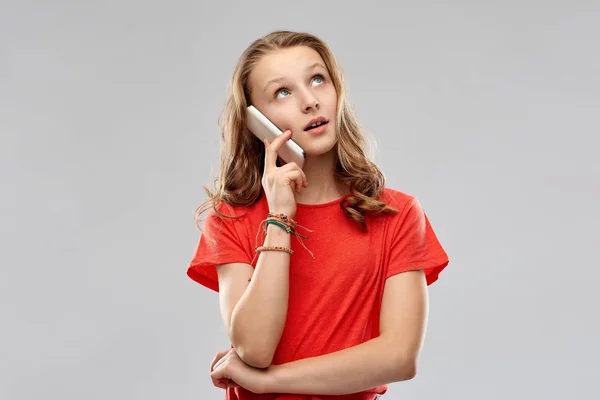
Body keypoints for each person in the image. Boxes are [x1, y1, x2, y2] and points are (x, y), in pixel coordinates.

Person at [186, 30, 450, 400]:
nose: (310, 101)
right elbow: (255, 348)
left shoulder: (397, 215)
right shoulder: (231, 219)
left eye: (317, 80)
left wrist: (266, 382)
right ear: (255, 121)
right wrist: (279, 218)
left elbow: (399, 357)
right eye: (283, 92)